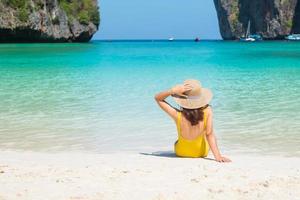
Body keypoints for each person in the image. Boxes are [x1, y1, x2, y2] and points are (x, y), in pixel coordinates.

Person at [154, 79, 231, 162]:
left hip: (181, 152)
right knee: (209, 134)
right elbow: (209, 134)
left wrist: (172, 91)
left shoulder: (177, 114)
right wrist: (218, 157)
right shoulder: (208, 111)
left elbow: (158, 99)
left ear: (182, 100)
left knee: (177, 141)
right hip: (201, 153)